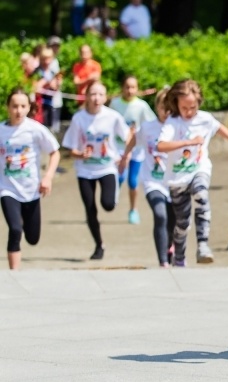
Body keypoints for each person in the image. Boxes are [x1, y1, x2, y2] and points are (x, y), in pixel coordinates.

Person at [156, 80, 228, 266]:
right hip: (177, 177)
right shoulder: (173, 123)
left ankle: (203, 245)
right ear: (176, 104)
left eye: (193, 107)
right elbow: (161, 145)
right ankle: (179, 257)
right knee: (182, 223)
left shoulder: (204, 119)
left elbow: (219, 128)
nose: (189, 111)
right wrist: (187, 143)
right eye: (184, 108)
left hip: (199, 168)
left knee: (201, 194)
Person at [61, 81, 130, 260]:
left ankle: (114, 193)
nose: (96, 98)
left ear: (105, 97)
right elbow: (70, 148)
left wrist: (126, 156)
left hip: (107, 167)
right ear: (86, 97)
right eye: (93, 94)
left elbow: (128, 137)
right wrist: (81, 154)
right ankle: (99, 245)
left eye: (100, 94)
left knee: (108, 204)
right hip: (85, 170)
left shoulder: (113, 117)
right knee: (90, 208)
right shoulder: (79, 118)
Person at [0, 89, 60, 270]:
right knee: (15, 229)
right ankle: (14, 275)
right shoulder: (1, 131)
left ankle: (25, 221)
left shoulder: (35, 129)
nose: (18, 110)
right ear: (7, 107)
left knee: (33, 238)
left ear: (29, 108)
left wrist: (48, 177)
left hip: (31, 189)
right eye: (15, 106)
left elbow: (54, 152)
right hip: (7, 188)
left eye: (23, 106)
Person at [119, 87, 174, 267]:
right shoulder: (148, 127)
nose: (166, 111)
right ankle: (163, 261)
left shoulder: (178, 126)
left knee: (174, 221)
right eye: (162, 106)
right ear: (156, 107)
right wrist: (126, 156)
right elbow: (134, 139)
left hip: (175, 182)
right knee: (160, 215)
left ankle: (170, 246)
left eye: (169, 107)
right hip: (153, 181)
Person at [109, 76, 157, 225]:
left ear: (137, 89)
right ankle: (112, 197)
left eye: (133, 87)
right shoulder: (115, 104)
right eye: (127, 87)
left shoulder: (141, 106)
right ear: (122, 88)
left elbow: (151, 124)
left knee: (133, 181)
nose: (130, 90)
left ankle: (133, 210)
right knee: (119, 176)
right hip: (118, 148)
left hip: (137, 149)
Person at [33, 47, 63, 135]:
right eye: (44, 59)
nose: (46, 61)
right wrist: (45, 82)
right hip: (40, 105)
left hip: (53, 104)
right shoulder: (37, 72)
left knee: (53, 130)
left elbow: (56, 86)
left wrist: (56, 83)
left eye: (49, 58)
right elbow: (35, 87)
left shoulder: (54, 72)